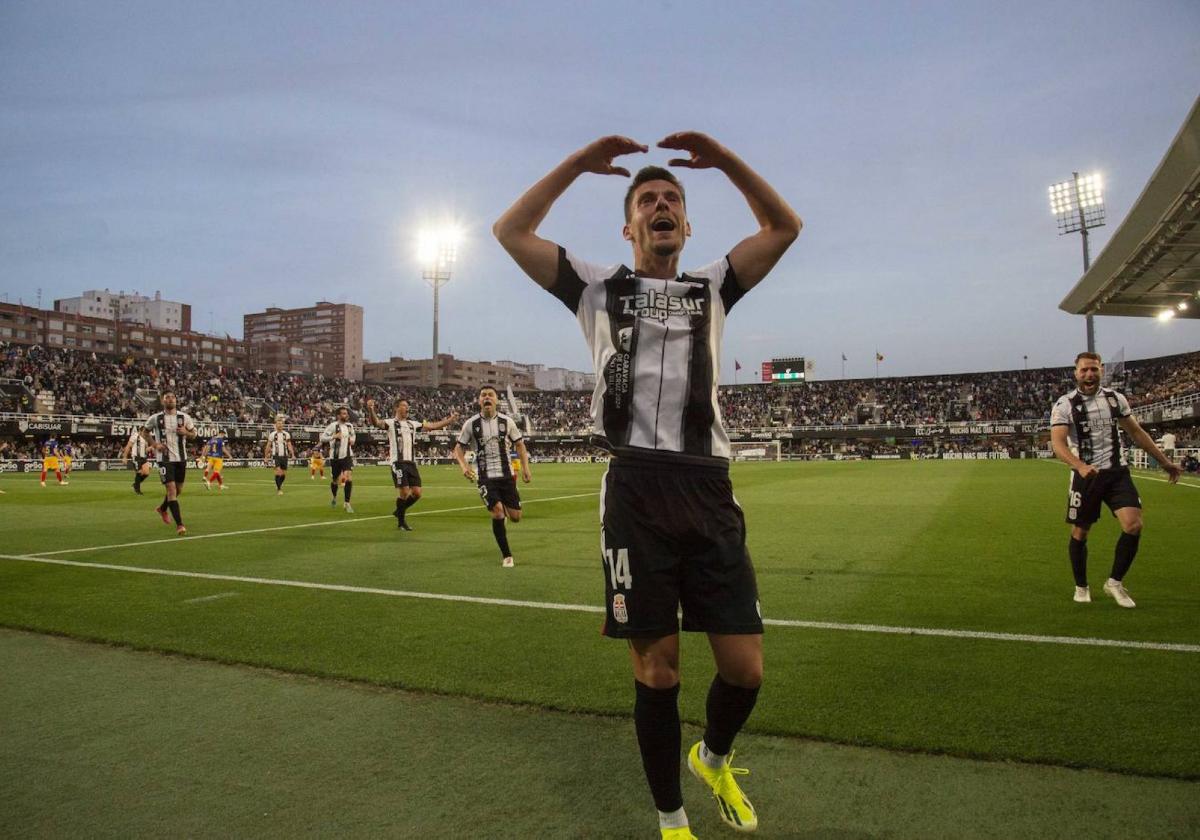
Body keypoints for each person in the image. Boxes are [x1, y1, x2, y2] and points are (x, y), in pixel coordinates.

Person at [494, 132, 800, 838]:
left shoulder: (714, 287)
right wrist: (576, 162)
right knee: (658, 672)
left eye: (672, 201)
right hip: (635, 489)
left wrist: (725, 161)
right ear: (629, 226)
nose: (661, 206)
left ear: (686, 226)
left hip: (708, 488)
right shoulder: (596, 287)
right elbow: (510, 231)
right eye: (647, 201)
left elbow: (783, 228)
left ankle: (713, 757)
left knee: (745, 670)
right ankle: (672, 821)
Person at [1050, 352, 1182, 608]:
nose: (1089, 374)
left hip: (1117, 472)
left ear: (1101, 371)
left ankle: (1115, 582)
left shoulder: (1115, 399)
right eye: (1084, 370)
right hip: (1086, 476)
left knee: (1133, 525)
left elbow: (1135, 431)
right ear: (1076, 373)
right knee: (1081, 531)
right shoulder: (1064, 404)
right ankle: (1081, 585)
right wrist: (1079, 465)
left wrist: (1164, 462)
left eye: (1094, 370)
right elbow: (1057, 443)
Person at [452, 385, 531, 567]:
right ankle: (507, 556)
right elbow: (458, 448)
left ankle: (502, 502)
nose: (487, 398)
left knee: (516, 517)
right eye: (483, 395)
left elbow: (519, 445)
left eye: (490, 395)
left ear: (496, 400)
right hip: (485, 476)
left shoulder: (507, 422)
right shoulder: (471, 424)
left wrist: (526, 468)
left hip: (507, 476)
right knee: (497, 513)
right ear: (479, 400)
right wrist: (464, 466)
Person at [365, 397, 458, 530]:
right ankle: (401, 523)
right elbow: (376, 422)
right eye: (403, 405)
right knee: (404, 492)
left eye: (407, 406)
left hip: (411, 463)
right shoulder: (390, 423)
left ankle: (399, 511)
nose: (406, 408)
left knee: (417, 493)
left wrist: (450, 420)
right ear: (396, 408)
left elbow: (432, 426)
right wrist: (371, 409)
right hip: (398, 462)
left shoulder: (412, 424)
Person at [139, 391, 197, 536]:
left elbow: (194, 434)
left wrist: (186, 432)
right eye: (167, 398)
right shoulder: (155, 418)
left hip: (181, 458)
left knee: (178, 490)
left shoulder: (185, 417)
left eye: (172, 397)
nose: (170, 399)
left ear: (176, 401)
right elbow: (144, 433)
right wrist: (154, 444)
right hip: (164, 459)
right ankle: (180, 525)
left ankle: (163, 508)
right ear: (163, 401)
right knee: (171, 490)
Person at [320, 406, 356, 513]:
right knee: (335, 481)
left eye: (346, 413)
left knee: (348, 478)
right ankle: (334, 496)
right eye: (344, 413)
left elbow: (353, 436)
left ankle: (347, 503)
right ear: (339, 416)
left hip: (347, 456)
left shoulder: (350, 426)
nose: (346, 415)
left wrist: (352, 440)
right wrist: (334, 436)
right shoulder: (332, 426)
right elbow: (322, 438)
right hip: (335, 457)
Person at [264, 417, 295, 496]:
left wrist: (293, 454)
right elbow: (268, 446)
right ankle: (279, 489)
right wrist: (266, 457)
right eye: (278, 423)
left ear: (283, 425)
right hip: (276, 456)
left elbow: (289, 445)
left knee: (283, 474)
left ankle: (278, 485)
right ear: (276, 425)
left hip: (285, 456)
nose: (280, 425)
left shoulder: (286, 434)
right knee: (278, 472)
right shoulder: (272, 434)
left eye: (281, 423)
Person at [120, 423, 152, 494]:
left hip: (143, 457)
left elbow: (146, 449)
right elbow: (128, 446)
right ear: (141, 430)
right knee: (139, 472)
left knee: (146, 473)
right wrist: (125, 457)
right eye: (145, 431)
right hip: (136, 457)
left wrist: (150, 448)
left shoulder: (145, 438)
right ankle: (138, 490)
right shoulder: (135, 436)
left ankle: (135, 484)